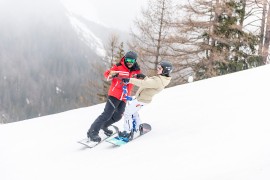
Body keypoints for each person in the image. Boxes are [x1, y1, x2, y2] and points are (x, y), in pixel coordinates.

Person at [87, 51, 141, 142]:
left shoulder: (136, 71)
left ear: (135, 61)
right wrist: (113, 74)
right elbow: (107, 74)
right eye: (127, 60)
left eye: (131, 60)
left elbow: (138, 81)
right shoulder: (118, 67)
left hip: (124, 97)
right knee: (106, 114)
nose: (129, 62)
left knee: (118, 116)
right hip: (114, 95)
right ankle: (92, 132)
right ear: (125, 59)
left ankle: (104, 126)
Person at [118, 60, 173, 140]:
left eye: (160, 68)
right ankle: (138, 127)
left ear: (165, 71)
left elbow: (144, 83)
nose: (157, 69)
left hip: (141, 100)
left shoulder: (159, 81)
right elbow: (150, 82)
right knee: (133, 112)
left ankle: (128, 132)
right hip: (142, 99)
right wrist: (144, 77)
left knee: (127, 113)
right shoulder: (162, 79)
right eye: (158, 67)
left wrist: (129, 80)